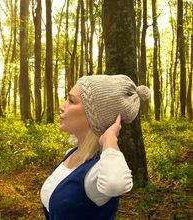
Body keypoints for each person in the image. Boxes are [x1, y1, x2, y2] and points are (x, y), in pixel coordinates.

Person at [40, 74, 150, 220]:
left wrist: (110, 139)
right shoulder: (71, 154)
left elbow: (116, 184)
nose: (62, 106)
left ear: (94, 116)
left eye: (71, 101)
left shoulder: (96, 171)